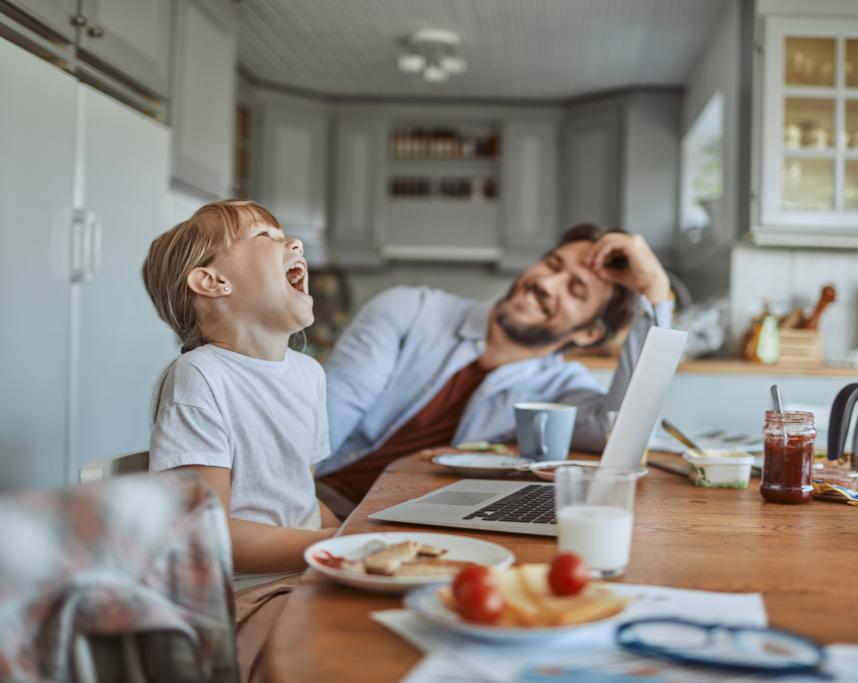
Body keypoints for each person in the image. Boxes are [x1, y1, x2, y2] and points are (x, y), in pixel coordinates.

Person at [318, 225, 675, 507]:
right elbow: (319, 435)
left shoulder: (560, 388)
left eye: (575, 289)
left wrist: (655, 290)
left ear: (589, 333)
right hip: (320, 500)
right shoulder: (408, 310)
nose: (546, 284)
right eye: (552, 265)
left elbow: (626, 434)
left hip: (413, 528)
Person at [141, 200, 340, 683]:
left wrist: (356, 537)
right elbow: (208, 537)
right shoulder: (201, 375)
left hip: (306, 575)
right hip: (242, 597)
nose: (294, 244)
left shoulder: (309, 375)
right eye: (266, 238)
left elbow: (302, 497)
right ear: (212, 282)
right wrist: (334, 545)